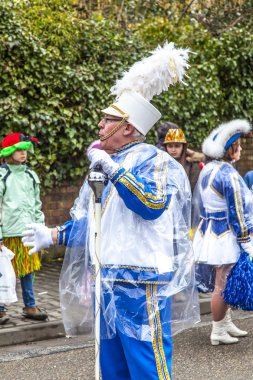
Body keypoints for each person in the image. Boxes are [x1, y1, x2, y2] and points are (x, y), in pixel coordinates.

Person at [22, 42, 199, 379]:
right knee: (111, 366)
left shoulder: (155, 160)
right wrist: (55, 234)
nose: (100, 126)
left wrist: (116, 173)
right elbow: (99, 221)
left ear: (128, 127)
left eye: (107, 120)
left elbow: (152, 205)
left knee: (147, 364)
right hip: (108, 277)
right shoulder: (108, 161)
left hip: (143, 279)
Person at [192, 119, 253, 346]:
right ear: (231, 149)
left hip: (212, 231)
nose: (240, 150)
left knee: (224, 281)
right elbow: (237, 211)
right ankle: (217, 329)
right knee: (223, 283)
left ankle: (225, 322)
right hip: (225, 234)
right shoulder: (227, 173)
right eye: (238, 146)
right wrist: (247, 240)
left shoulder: (209, 168)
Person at [0, 132, 48, 322]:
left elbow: (36, 204)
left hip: (28, 232)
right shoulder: (2, 176)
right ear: (9, 152)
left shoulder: (31, 175)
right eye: (19, 150)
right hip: (9, 233)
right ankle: (1, 308)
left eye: (25, 150)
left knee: (28, 270)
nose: (23, 153)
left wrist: (41, 228)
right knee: (4, 271)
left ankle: (30, 306)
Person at [161, 122, 205, 192]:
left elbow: (194, 190)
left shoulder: (193, 164)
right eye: (170, 146)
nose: (173, 150)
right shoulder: (160, 163)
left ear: (183, 147)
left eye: (177, 146)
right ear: (166, 147)